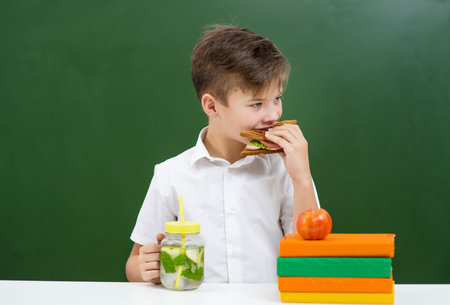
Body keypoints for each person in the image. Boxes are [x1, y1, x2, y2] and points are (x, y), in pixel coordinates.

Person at [125, 24, 319, 283]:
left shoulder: (285, 168)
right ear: (212, 106)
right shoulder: (170, 174)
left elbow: (314, 259)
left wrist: (302, 178)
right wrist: (145, 268)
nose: (273, 115)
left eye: (278, 98)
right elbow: (134, 264)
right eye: (257, 104)